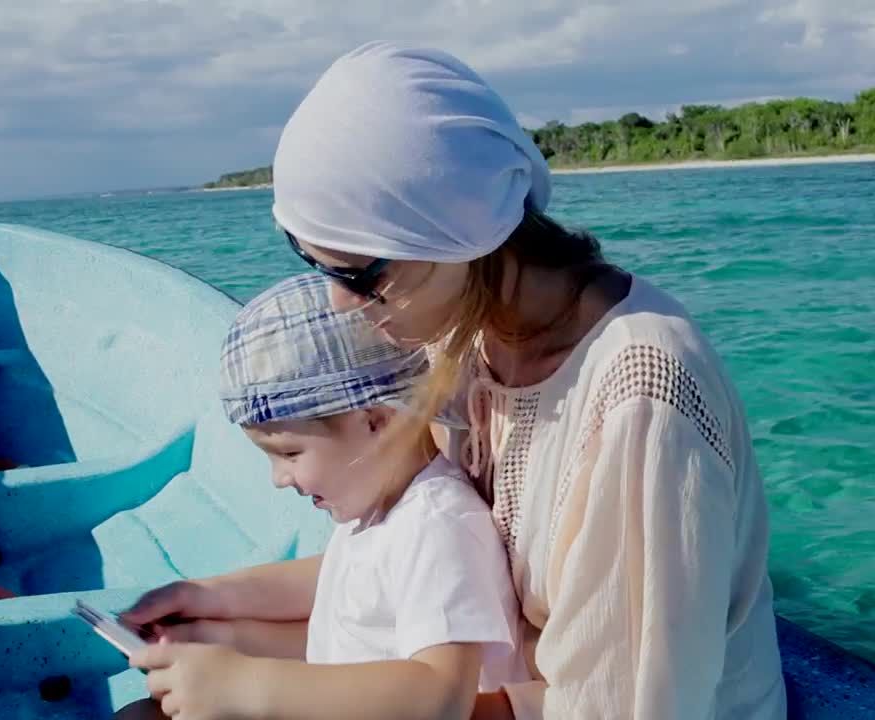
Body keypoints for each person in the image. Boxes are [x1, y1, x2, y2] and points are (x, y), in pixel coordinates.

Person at [269, 41, 789, 719]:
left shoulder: (639, 398)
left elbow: (622, 707)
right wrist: (210, 608)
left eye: (358, 274)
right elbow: (418, 566)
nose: (341, 305)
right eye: (312, 261)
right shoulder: (462, 337)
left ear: (456, 236)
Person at [115, 273, 525, 719]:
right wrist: (206, 604)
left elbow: (442, 696)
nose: (279, 478)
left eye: (289, 453)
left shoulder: (440, 525)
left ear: (376, 420)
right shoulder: (377, 508)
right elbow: (345, 584)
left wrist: (245, 684)